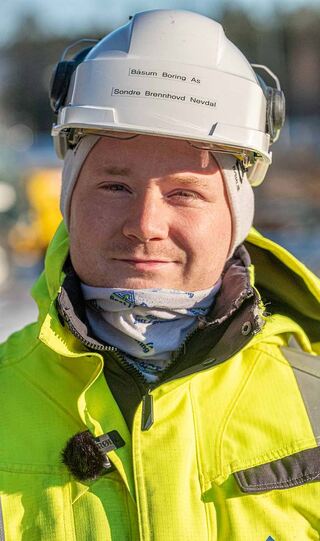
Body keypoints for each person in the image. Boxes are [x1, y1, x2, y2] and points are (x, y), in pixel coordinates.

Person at [1, 9, 320, 541]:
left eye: (184, 193)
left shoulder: (313, 401)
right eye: (114, 187)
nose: (145, 226)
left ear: (236, 214)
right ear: (70, 197)